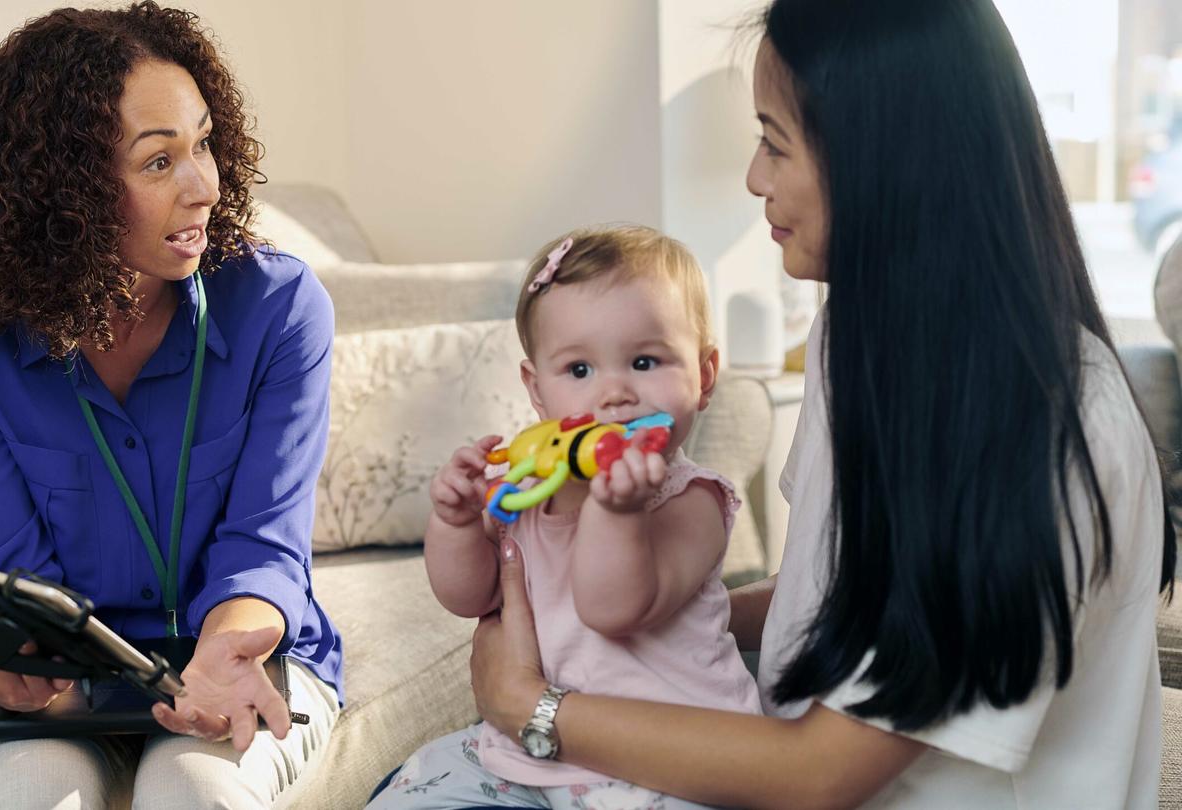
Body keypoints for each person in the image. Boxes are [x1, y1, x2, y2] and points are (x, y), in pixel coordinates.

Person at [461, 1, 1179, 808]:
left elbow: (821, 774)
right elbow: (832, 596)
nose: (753, 177)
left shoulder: (1043, 424)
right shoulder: (864, 327)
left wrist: (534, 705)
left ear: (880, 159)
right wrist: (648, 623)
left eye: (774, 141)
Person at [0, 4, 341, 807]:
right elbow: (15, 568)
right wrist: (12, 658)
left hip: (246, 655)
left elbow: (265, 543)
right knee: (39, 792)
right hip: (64, 679)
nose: (205, 186)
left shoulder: (281, 309)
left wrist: (224, 657)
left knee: (193, 790)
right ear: (62, 194)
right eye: (159, 162)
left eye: (205, 144)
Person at [369, 225, 761, 809]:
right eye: (580, 371)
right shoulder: (525, 489)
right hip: (526, 754)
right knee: (409, 793)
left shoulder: (692, 500)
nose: (614, 395)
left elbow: (612, 609)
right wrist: (455, 521)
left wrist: (614, 508)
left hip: (668, 762)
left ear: (703, 376)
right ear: (537, 390)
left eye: (645, 361)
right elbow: (468, 595)